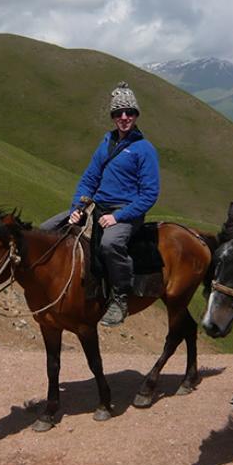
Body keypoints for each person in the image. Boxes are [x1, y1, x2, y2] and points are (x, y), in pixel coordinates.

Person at [41, 82, 160, 327]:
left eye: (129, 112)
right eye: (118, 113)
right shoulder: (106, 142)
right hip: (98, 206)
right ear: (113, 117)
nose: (124, 117)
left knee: (110, 243)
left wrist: (119, 217)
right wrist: (77, 208)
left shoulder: (144, 149)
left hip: (125, 212)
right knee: (46, 228)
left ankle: (120, 299)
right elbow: (89, 179)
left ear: (136, 115)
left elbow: (150, 194)